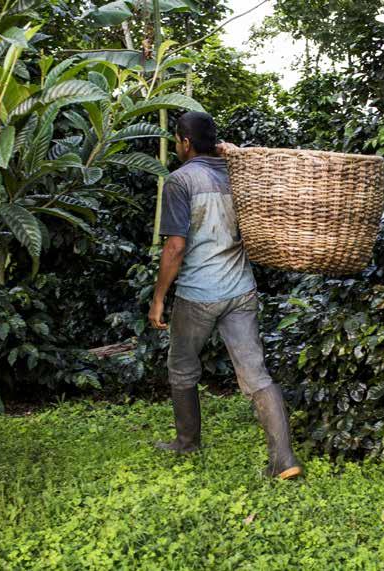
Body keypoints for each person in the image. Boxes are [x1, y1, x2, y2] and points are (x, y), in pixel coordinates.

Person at [148, 111, 303, 480]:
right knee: (256, 376)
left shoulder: (180, 180)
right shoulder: (240, 173)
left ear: (185, 143)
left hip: (199, 294)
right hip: (241, 290)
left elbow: (174, 247)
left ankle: (187, 442)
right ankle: (284, 460)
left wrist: (158, 299)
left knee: (182, 367)